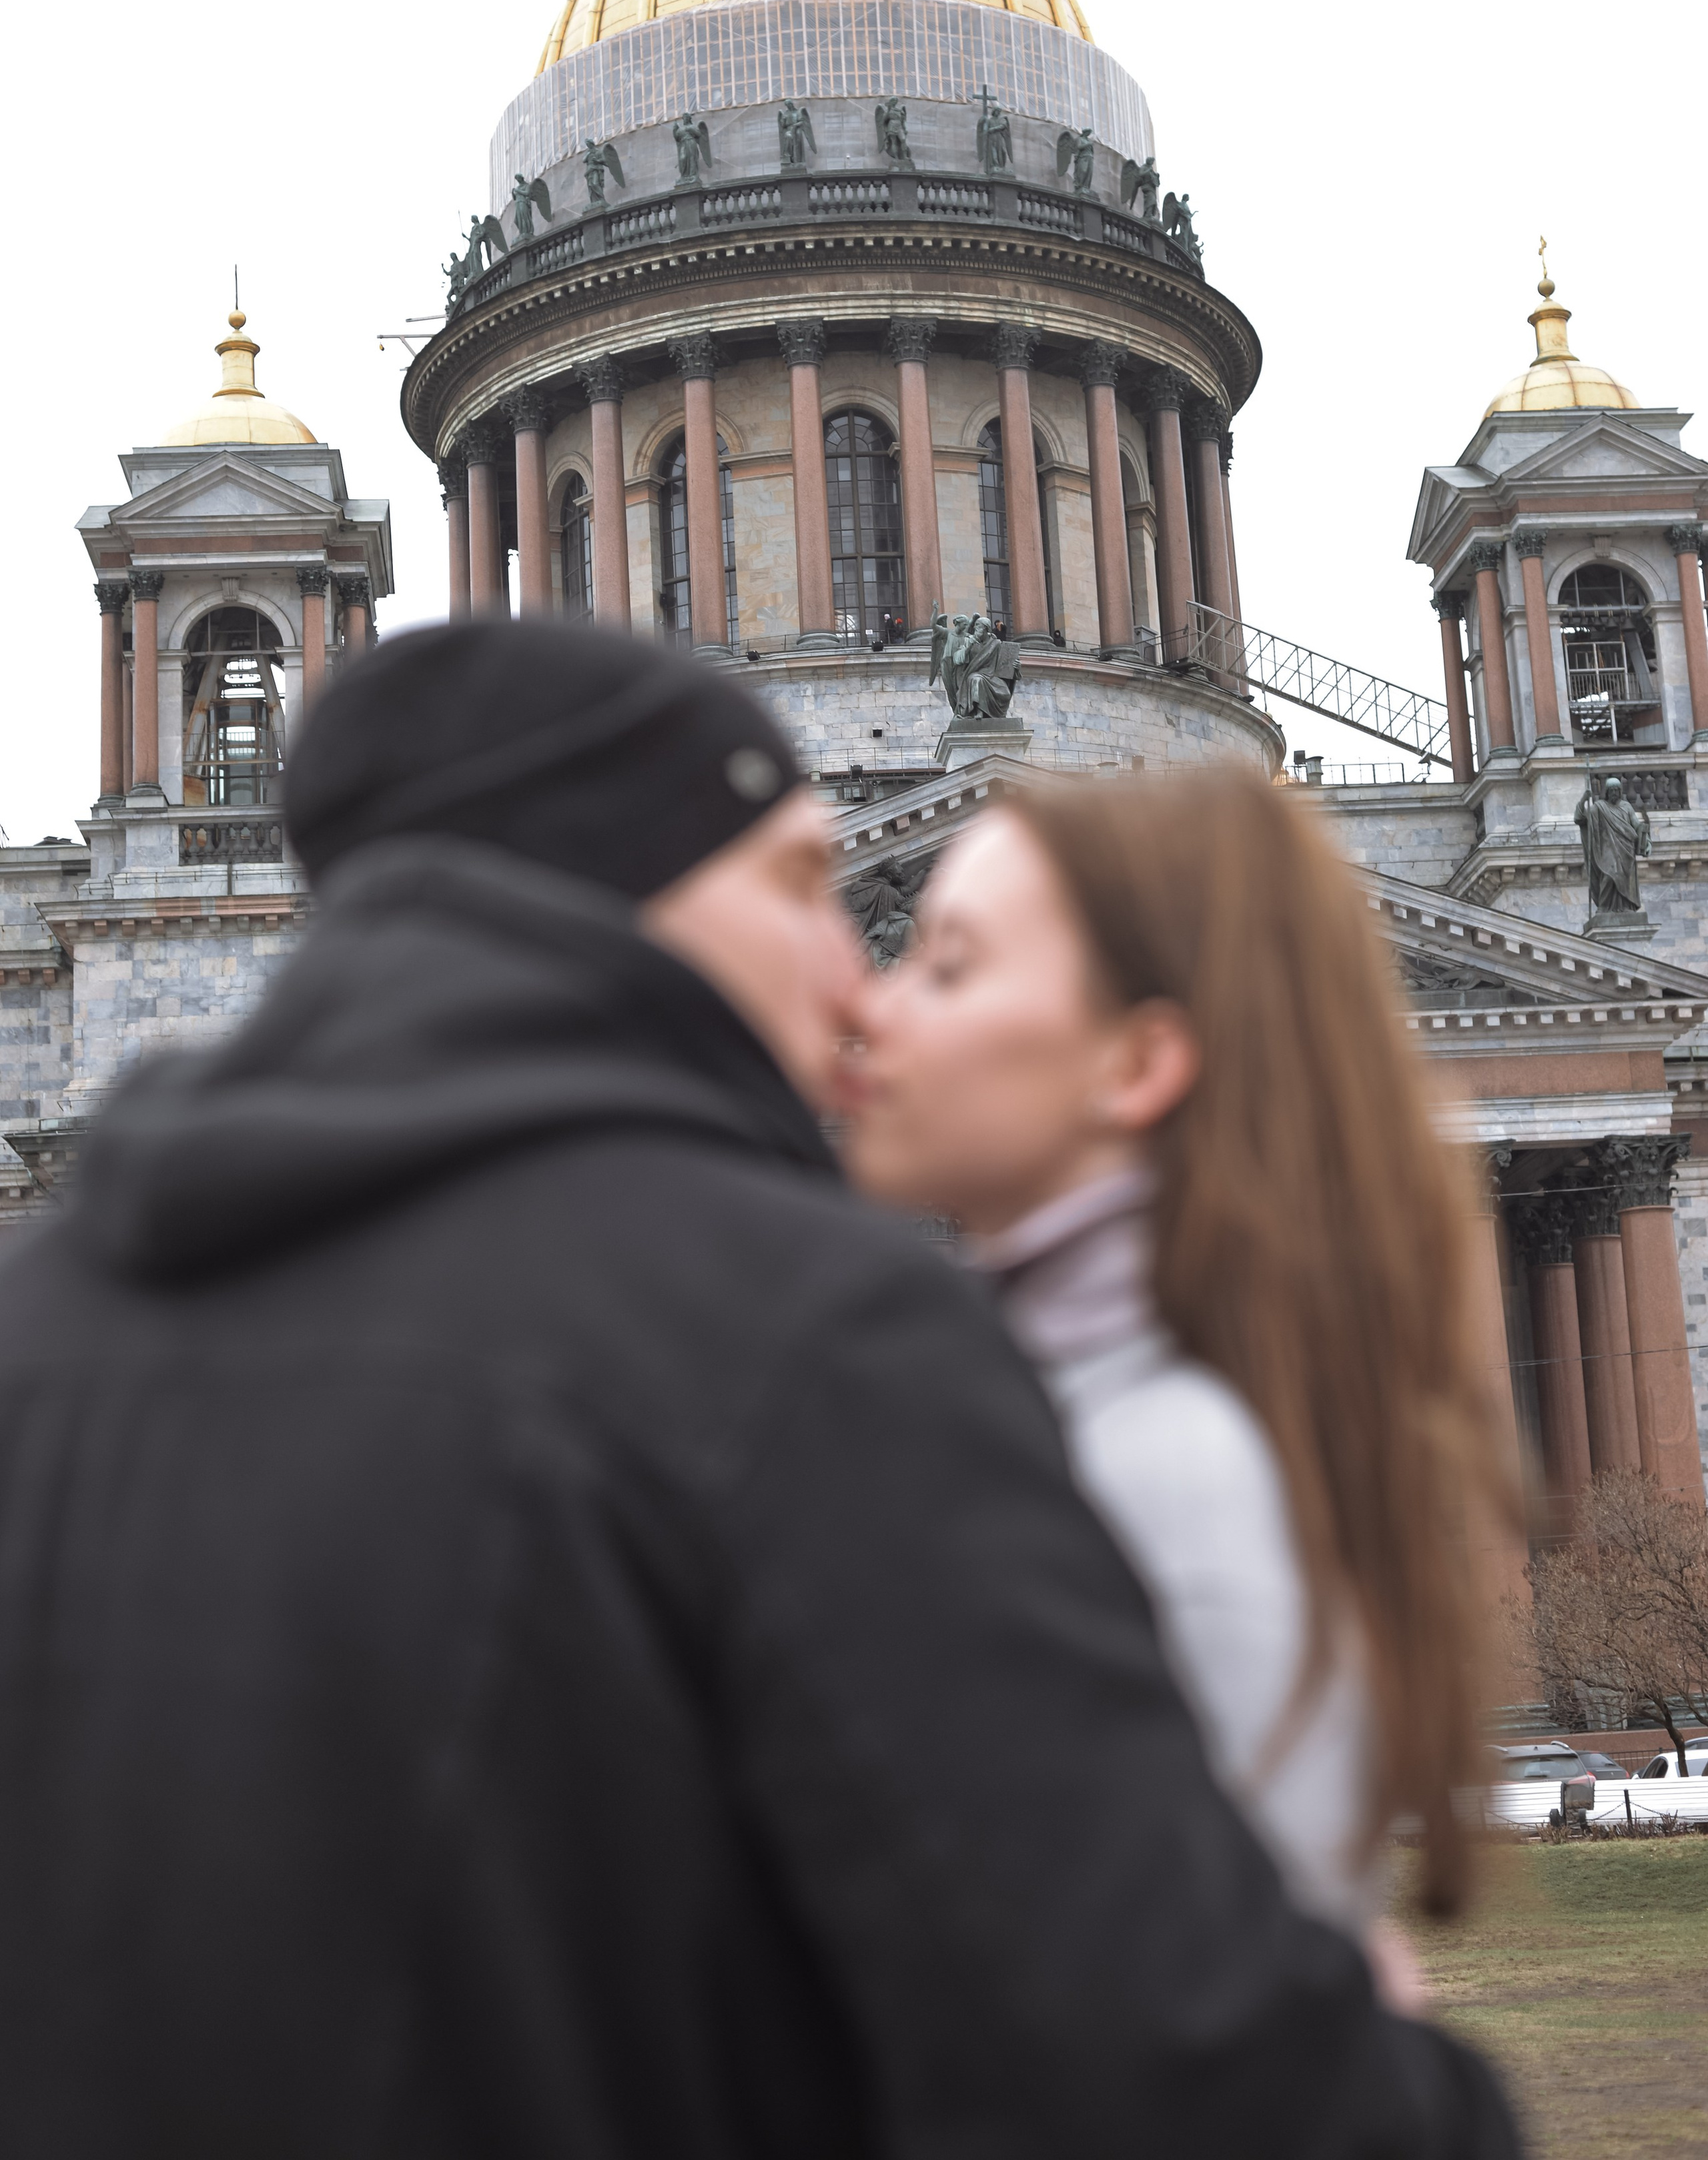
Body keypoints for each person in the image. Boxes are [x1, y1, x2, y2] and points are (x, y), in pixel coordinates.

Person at [0, 630, 1516, 2158]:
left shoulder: (41, 1330)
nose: (858, 984)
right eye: (808, 882)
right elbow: (1159, 2061)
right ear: (636, 880)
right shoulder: (798, 1333)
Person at [843, 766, 1503, 1953]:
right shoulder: (1079, 1424)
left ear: (1137, 1064)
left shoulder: (1152, 1483)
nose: (872, 1005)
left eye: (946, 966)